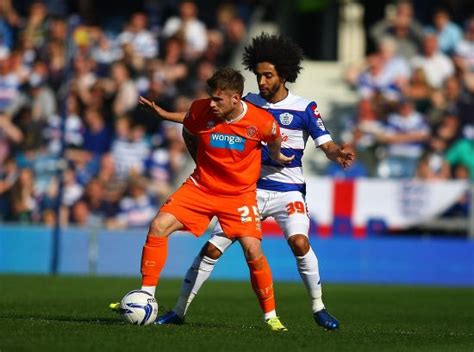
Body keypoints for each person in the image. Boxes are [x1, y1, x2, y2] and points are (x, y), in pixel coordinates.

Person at [142, 34, 355, 330]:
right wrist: (167, 115)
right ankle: (178, 311)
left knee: (299, 241)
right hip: (248, 192)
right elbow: (201, 116)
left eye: (268, 75)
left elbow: (326, 144)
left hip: (287, 191)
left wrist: (339, 152)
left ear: (284, 75)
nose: (262, 81)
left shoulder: (305, 108)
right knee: (211, 249)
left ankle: (318, 307)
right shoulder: (245, 103)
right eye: (258, 75)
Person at [111, 67, 293, 331]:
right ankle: (146, 294)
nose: (212, 103)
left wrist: (276, 156)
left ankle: (271, 316)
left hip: (238, 195)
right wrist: (163, 115)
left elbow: (274, 137)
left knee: (253, 250)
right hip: (201, 187)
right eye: (211, 97)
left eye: (218, 99)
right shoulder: (202, 110)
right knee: (159, 225)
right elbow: (188, 120)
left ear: (236, 99)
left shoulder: (261, 121)